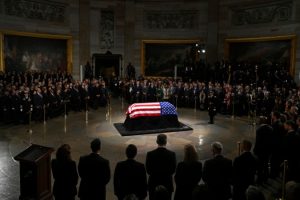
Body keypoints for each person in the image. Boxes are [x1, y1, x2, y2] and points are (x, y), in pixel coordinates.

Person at [145, 134, 177, 200]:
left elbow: (148, 171)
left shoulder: (150, 154)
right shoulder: (172, 154)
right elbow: (173, 170)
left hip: (153, 183)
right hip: (167, 183)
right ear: (166, 142)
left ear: (157, 141)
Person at [253, 116, 273, 184]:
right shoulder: (270, 128)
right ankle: (265, 178)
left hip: (260, 151)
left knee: (260, 166)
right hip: (268, 150)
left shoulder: (259, 130)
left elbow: (258, 142)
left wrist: (255, 150)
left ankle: (259, 179)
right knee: (266, 164)